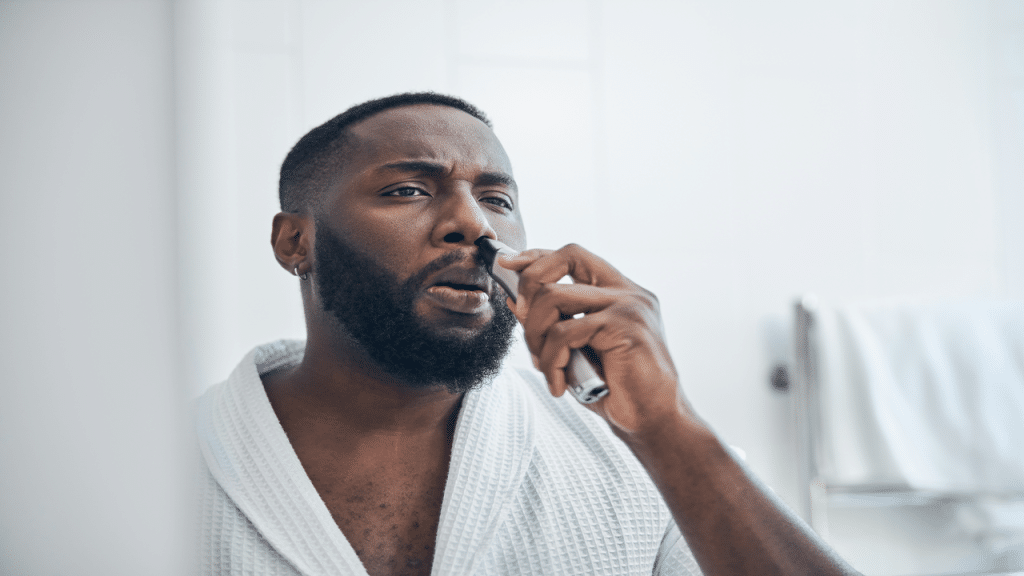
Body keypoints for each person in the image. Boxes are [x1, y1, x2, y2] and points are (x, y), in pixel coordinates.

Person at [194, 92, 860, 576]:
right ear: (295, 241)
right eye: (407, 190)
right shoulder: (164, 465)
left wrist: (667, 427)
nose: (473, 225)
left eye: (498, 200)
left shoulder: (641, 462)